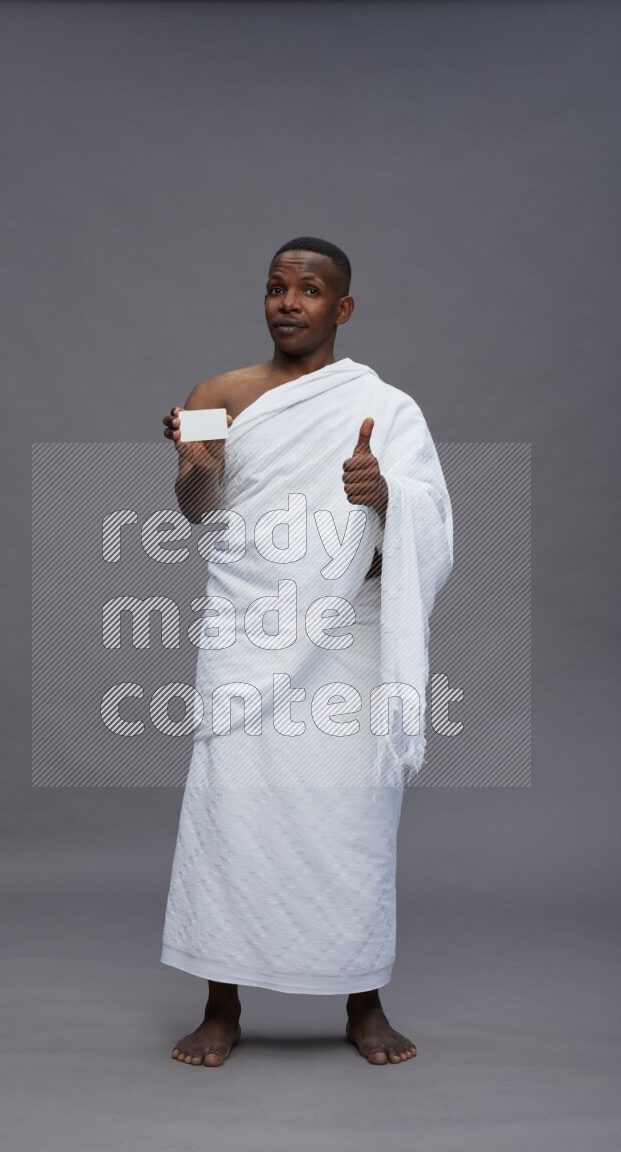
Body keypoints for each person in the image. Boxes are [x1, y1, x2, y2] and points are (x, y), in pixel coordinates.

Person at [160, 237, 453, 1066]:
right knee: (232, 811)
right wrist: (193, 459)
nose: (289, 302)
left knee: (353, 812)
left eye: (311, 290)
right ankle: (221, 1004)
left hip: (346, 636)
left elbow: (429, 524)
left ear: (343, 308)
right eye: (276, 287)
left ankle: (363, 1001)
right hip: (248, 628)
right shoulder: (219, 393)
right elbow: (199, 510)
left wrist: (385, 493)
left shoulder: (385, 407)